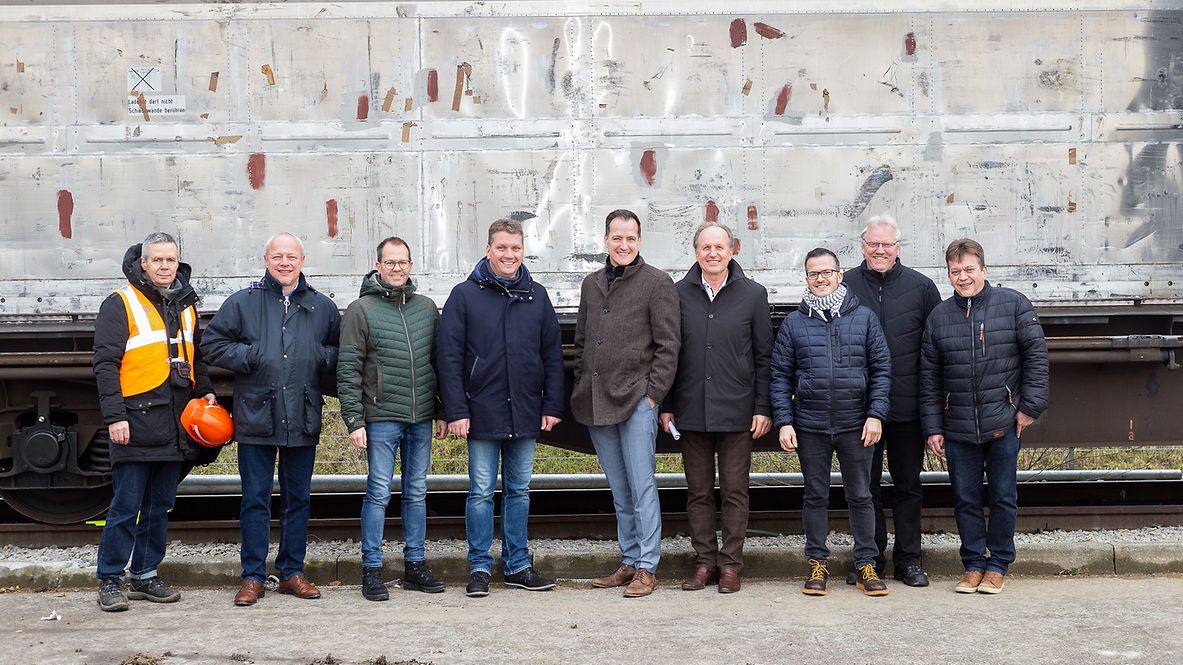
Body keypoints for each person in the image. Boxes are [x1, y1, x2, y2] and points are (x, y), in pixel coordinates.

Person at [202, 232, 340, 607]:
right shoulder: (243, 303)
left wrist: (317, 357)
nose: (284, 262)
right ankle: (253, 576)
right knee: (255, 500)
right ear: (265, 259)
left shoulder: (321, 307)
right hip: (256, 415)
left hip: (302, 414)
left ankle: (292, 571)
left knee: (298, 499)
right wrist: (253, 356)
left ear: (302, 259)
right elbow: (212, 343)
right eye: (277, 256)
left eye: (291, 256)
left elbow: (341, 351)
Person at [436, 219, 565, 598]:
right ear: (488, 250)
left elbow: (552, 356)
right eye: (502, 248)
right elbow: (449, 358)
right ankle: (479, 567)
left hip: (526, 410)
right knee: (479, 492)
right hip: (481, 411)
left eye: (515, 248)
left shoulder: (536, 295)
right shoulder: (464, 295)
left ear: (523, 251)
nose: (509, 255)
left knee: (519, 490)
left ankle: (517, 565)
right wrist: (456, 409)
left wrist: (552, 403)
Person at [92, 232, 216, 612]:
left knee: (160, 505)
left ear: (178, 263)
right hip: (136, 421)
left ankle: (145, 575)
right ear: (142, 263)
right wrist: (115, 416)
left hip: (175, 421)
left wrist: (206, 390)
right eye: (157, 260)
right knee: (126, 505)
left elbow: (195, 356)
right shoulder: (120, 303)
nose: (165, 266)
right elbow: (105, 365)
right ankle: (110, 579)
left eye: (171, 260)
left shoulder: (185, 303)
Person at [921, 238, 1049, 594]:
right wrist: (933, 426)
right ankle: (974, 564)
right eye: (955, 271)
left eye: (969, 270)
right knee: (965, 498)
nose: (963, 277)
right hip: (958, 426)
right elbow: (929, 377)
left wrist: (1029, 408)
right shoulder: (939, 317)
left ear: (984, 270)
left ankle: (998, 565)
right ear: (948, 275)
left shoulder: (1013, 305)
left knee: (1004, 496)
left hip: (1003, 422)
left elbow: (1036, 358)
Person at [771, 247, 892, 597]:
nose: (820, 279)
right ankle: (817, 563)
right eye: (813, 274)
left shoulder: (865, 318)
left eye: (826, 272)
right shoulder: (794, 323)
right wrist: (785, 421)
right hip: (809, 425)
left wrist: (875, 414)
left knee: (861, 495)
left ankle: (866, 564)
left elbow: (882, 370)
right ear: (806, 279)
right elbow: (780, 376)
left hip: (857, 424)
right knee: (815, 496)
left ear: (840, 275)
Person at [573, 208, 680, 598]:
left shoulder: (657, 282)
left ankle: (647, 567)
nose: (623, 245)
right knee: (620, 488)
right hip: (597, 400)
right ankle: (630, 559)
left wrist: (653, 395)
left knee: (642, 484)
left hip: (637, 399)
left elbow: (669, 346)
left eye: (630, 238)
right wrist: (583, 383)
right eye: (616, 238)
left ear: (639, 241)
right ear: (605, 241)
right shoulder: (591, 283)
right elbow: (583, 340)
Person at [660, 222, 772, 594]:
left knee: (736, 491)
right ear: (695, 252)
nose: (712, 253)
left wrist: (762, 407)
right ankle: (704, 562)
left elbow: (763, 357)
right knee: (699, 492)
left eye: (719, 247)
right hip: (691, 411)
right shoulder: (677, 294)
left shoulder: (753, 295)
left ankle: (731, 566)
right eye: (705, 247)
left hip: (738, 411)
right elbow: (669, 355)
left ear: (731, 250)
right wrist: (668, 405)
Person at [338, 237, 446, 601]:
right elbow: (348, 368)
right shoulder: (360, 309)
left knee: (416, 492)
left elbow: (440, 363)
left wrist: (442, 411)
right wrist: (354, 419)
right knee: (379, 492)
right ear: (378, 265)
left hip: (421, 419)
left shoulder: (427, 308)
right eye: (390, 262)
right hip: (381, 416)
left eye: (403, 262)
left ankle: (415, 565)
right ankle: (372, 569)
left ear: (411, 265)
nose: (397, 268)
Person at [840, 215, 941, 587]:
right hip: (859, 409)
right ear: (862, 246)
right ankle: (869, 560)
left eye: (887, 245)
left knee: (908, 486)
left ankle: (909, 560)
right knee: (864, 489)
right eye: (872, 244)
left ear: (898, 248)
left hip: (906, 408)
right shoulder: (845, 285)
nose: (879, 250)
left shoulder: (922, 288)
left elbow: (935, 350)